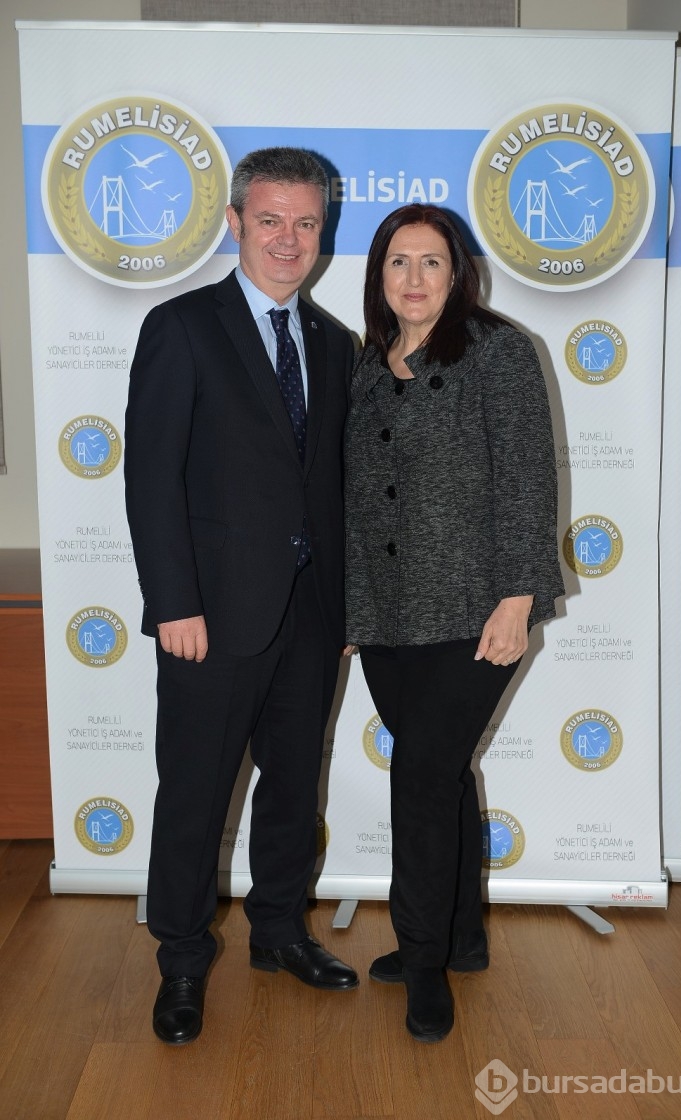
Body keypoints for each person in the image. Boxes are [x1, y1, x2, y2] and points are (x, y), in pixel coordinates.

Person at [124, 147, 358, 1046]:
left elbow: (330, 488)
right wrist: (172, 603)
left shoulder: (333, 343)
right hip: (210, 618)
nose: (288, 239)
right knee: (195, 793)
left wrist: (344, 609)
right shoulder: (182, 327)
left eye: (306, 222)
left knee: (294, 787)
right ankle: (182, 960)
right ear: (234, 224)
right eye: (270, 220)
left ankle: (279, 932)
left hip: (311, 618)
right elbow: (152, 479)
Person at [344, 204, 564, 1043]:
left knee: (421, 778)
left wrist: (518, 597)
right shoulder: (365, 366)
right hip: (388, 615)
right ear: (379, 275)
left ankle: (423, 959)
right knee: (440, 774)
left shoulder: (499, 353)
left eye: (431, 262)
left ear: (458, 273)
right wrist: (352, 608)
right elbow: (354, 499)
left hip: (474, 610)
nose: (414, 278)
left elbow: (527, 480)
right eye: (398, 262)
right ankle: (461, 937)